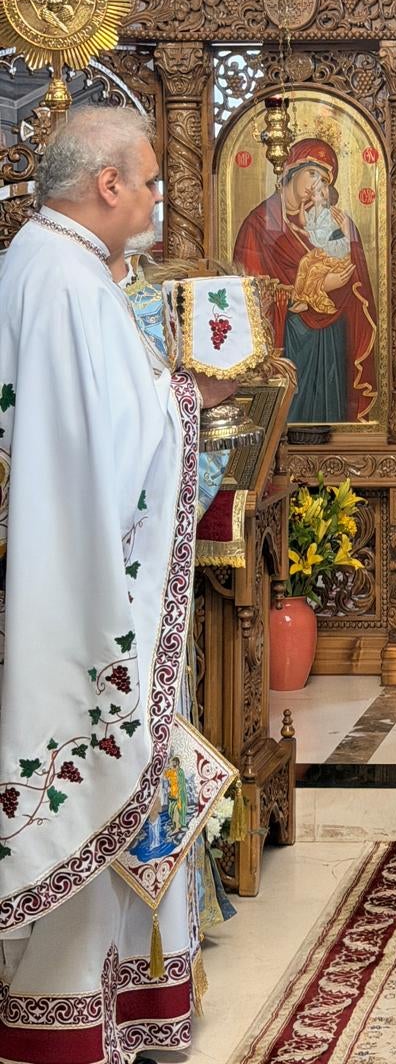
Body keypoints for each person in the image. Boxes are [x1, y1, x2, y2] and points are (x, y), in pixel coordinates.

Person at [0, 106, 237, 1063]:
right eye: (148, 181)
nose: (153, 198)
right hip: (87, 581)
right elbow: (110, 445)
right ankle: (69, 1014)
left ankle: (119, 999)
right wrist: (191, 401)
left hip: (68, 566)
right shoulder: (65, 283)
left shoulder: (36, 264)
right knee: (100, 759)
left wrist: (164, 398)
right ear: (107, 184)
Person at [233, 137, 379, 424]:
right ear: (292, 170)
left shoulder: (325, 222)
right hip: (290, 336)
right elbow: (249, 296)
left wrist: (346, 234)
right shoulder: (260, 223)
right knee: (293, 412)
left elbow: (352, 276)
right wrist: (315, 287)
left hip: (331, 336)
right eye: (312, 173)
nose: (317, 185)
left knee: (329, 411)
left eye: (324, 180)